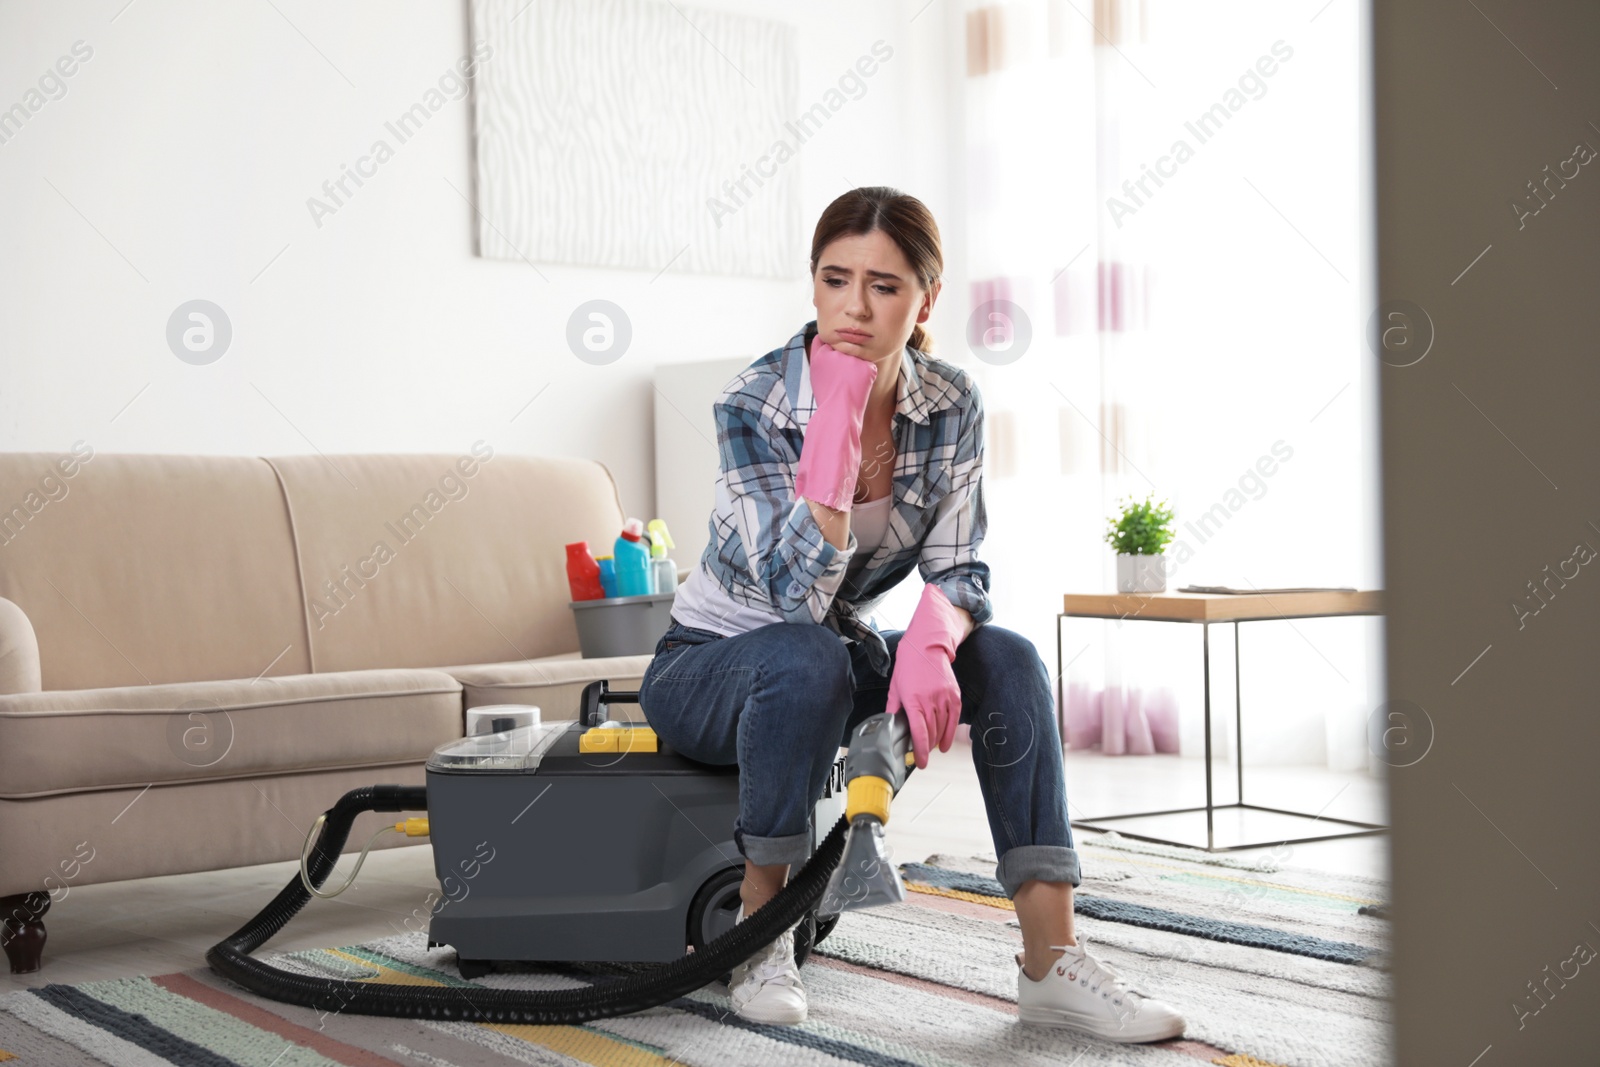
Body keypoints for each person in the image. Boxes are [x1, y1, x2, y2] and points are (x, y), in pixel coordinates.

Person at [638, 186, 1185, 1043]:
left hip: (824, 657)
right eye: (834, 279)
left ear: (927, 298)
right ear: (813, 286)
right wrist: (835, 429)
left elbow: (960, 567)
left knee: (1003, 656)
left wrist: (933, 643)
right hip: (709, 666)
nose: (854, 307)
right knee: (803, 655)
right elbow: (792, 602)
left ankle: (1052, 960)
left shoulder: (951, 402)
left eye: (884, 285)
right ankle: (761, 935)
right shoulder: (754, 404)